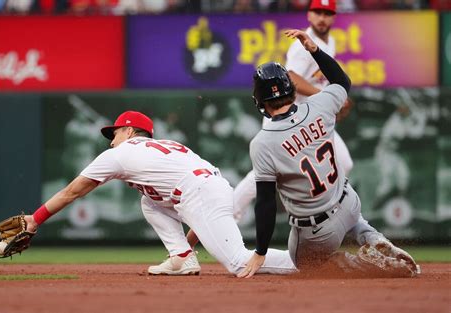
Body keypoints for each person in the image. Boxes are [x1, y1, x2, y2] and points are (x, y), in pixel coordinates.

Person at [21, 110, 296, 276]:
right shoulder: (168, 146)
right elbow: (194, 201)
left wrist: (35, 220)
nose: (111, 140)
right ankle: (181, 258)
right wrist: (188, 248)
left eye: (114, 134)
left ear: (128, 131)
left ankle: (306, 262)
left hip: (199, 194)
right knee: (149, 201)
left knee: (238, 262)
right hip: (208, 188)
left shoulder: (121, 152)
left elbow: (72, 192)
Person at [237, 29, 419, 278]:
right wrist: (314, 50)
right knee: (348, 209)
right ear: (291, 88)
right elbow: (343, 81)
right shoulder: (321, 105)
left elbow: (266, 204)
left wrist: (260, 251)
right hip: (350, 204)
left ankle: (360, 264)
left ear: (260, 101)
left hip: (318, 233)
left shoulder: (263, 142)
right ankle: (371, 236)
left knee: (304, 262)